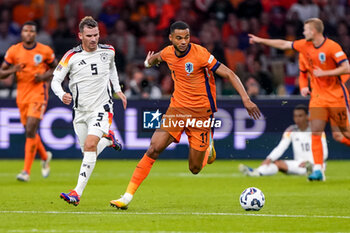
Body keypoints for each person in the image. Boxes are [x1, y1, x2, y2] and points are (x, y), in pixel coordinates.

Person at [110, 21, 261, 210]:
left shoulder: (201, 54)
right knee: (153, 149)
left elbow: (229, 73)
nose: (183, 42)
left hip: (201, 115)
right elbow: (157, 58)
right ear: (171, 38)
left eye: (186, 37)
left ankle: (208, 148)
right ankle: (126, 197)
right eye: (179, 38)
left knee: (195, 169)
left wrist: (246, 99)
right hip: (177, 110)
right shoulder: (167, 52)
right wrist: (148, 62)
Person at [249, 18, 350, 181]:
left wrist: (324, 74)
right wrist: (261, 40)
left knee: (345, 132)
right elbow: (283, 45)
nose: (303, 32)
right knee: (315, 132)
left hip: (336, 96)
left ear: (314, 31)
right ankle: (318, 170)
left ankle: (317, 169)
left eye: (305, 29)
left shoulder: (332, 47)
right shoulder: (305, 46)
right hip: (317, 97)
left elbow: (346, 68)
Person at [51, 16, 127, 206]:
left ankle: (76, 192)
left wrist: (118, 90)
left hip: (102, 108)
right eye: (89, 35)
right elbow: (55, 81)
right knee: (88, 150)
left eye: (96, 35)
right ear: (80, 36)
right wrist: (61, 95)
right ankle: (109, 140)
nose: (94, 39)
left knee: (91, 145)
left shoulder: (108, 51)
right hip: (80, 111)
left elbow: (112, 69)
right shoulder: (71, 56)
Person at [0, 21, 57, 182]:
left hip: (39, 94)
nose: (29, 33)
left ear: (35, 34)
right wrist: (13, 70)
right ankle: (45, 157)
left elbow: (57, 67)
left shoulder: (44, 51)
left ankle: (26, 171)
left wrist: (44, 77)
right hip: (22, 96)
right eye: (26, 30)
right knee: (30, 132)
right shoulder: (14, 51)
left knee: (31, 128)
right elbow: (2, 73)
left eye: (32, 31)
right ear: (22, 33)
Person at [239, 104, 328, 177]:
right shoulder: (291, 130)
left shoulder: (317, 130)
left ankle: (313, 170)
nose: (297, 119)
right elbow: (281, 147)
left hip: (317, 164)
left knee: (313, 166)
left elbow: (324, 152)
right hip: (298, 164)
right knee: (277, 163)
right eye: (295, 116)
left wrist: (312, 162)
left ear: (307, 116)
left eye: (300, 116)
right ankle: (257, 172)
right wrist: (269, 158)